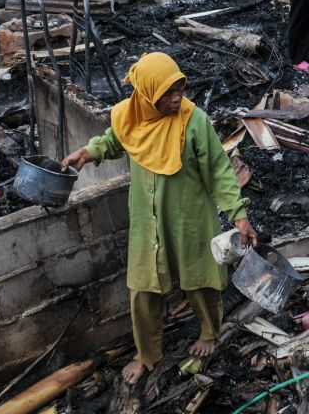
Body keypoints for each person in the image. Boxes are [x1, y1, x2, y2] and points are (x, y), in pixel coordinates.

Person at [61, 53, 258, 385]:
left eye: (179, 88)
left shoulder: (194, 121)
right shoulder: (129, 115)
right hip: (146, 221)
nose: (176, 97)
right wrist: (88, 152)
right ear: (147, 94)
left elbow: (218, 171)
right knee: (143, 288)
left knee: (200, 282)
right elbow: (114, 140)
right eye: (167, 92)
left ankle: (210, 333)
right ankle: (147, 354)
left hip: (189, 218)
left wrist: (238, 215)